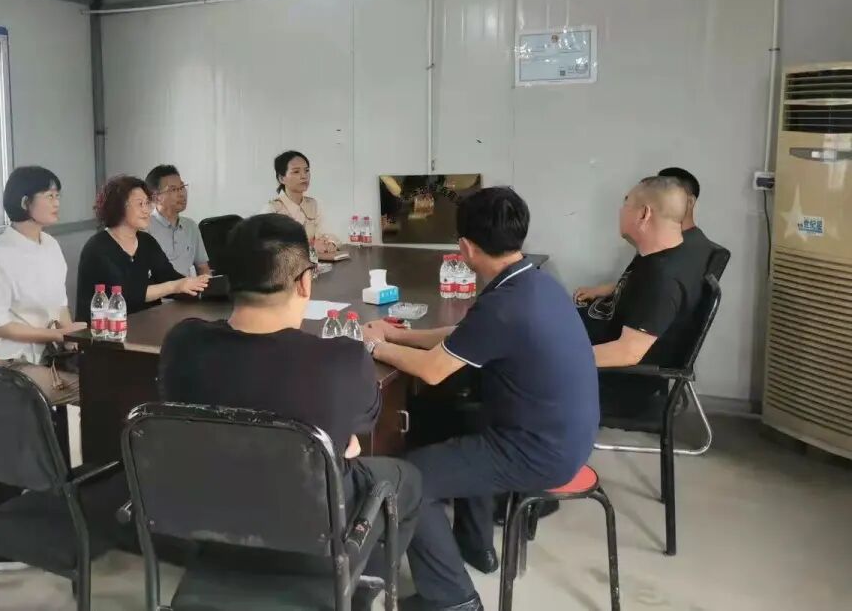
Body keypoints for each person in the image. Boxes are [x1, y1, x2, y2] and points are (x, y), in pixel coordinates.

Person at [158, 213, 422, 602]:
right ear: (304, 281)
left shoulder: (182, 343)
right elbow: (361, 426)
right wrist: (341, 441)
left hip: (210, 516)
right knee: (408, 479)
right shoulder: (341, 360)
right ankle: (354, 592)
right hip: (312, 528)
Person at [362, 187, 599, 611]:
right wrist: (398, 335)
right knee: (449, 418)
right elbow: (466, 335)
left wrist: (374, 346)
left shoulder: (506, 303)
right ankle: (475, 547)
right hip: (561, 434)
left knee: (407, 479)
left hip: (537, 451)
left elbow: (433, 369)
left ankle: (452, 599)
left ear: (466, 248)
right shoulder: (533, 282)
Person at [574, 176, 709, 416]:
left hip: (615, 383)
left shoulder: (663, 279)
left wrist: (558, 357)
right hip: (593, 342)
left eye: (626, 203)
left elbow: (628, 352)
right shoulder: (661, 258)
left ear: (644, 214)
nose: (620, 211)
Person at [0, 166, 86, 404]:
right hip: (11, 362)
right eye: (49, 196)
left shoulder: (51, 245)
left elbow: (59, 305)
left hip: (50, 354)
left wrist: (71, 338)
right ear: (25, 202)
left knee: (109, 376)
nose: (57, 203)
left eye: (58, 196)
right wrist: (55, 335)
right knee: (91, 389)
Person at [75, 175, 210, 322]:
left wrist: (199, 285)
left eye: (147, 203)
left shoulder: (146, 241)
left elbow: (169, 277)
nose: (147, 210)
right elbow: (126, 294)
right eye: (140, 204)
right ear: (119, 207)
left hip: (147, 323)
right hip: (106, 329)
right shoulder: (97, 248)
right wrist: (175, 286)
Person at [264, 150, 339, 257]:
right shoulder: (272, 210)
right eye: (296, 172)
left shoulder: (314, 204)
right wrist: (310, 248)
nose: (304, 176)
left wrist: (330, 244)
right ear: (281, 178)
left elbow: (329, 235)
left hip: (316, 264)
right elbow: (270, 250)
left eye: (306, 170)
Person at [145, 164, 211, 277]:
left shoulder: (191, 226)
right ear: (156, 198)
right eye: (173, 189)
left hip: (189, 287)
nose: (182, 194)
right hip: (160, 288)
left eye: (182, 187)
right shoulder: (145, 228)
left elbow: (203, 268)